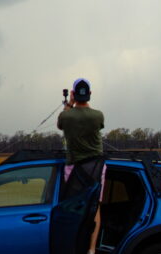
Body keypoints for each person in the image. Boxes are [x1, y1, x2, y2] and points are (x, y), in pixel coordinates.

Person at [57, 78, 105, 254]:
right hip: (96, 167)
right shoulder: (98, 115)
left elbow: (60, 124)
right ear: (90, 94)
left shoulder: (66, 116)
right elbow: (97, 123)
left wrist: (69, 104)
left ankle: (73, 244)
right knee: (95, 206)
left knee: (74, 206)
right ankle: (91, 249)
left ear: (73, 94)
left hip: (74, 167)